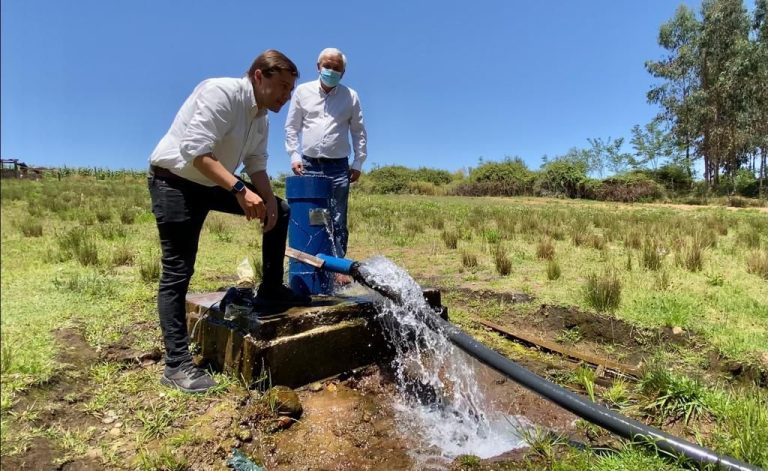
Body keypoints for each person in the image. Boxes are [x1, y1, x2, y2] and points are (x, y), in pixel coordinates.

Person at [148, 49, 309, 394]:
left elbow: (256, 162)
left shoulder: (261, 117)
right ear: (259, 76)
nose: (286, 96)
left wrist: (268, 200)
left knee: (280, 210)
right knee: (178, 270)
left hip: (212, 184)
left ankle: (271, 289)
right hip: (175, 182)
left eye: (290, 90)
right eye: (282, 86)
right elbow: (196, 152)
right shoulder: (220, 92)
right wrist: (239, 190)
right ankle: (176, 364)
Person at [284, 47, 367, 261]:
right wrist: (294, 155)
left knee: (337, 218)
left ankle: (337, 266)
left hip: (339, 168)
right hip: (309, 165)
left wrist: (358, 162)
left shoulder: (351, 96)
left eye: (336, 68)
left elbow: (358, 131)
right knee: (311, 216)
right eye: (327, 66)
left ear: (343, 72)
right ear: (318, 67)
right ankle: (311, 262)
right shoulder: (302, 92)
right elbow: (292, 127)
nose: (331, 71)